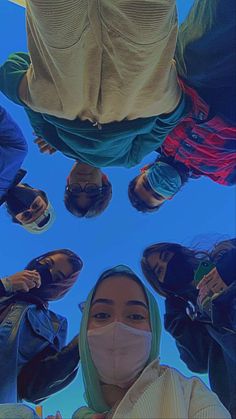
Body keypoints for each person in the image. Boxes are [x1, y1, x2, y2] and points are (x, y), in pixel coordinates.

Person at [1, 1, 205, 217]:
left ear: (68, 181)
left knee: (55, 12)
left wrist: (32, 94)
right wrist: (160, 99)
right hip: (132, 100)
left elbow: (21, 84)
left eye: (75, 189)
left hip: (66, 101)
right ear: (104, 181)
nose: (83, 184)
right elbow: (165, 123)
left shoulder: (55, 142)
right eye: (91, 190)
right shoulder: (129, 158)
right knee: (146, 18)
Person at [66, 265, 229, 419]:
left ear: (154, 331)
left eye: (135, 316)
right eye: (101, 315)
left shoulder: (190, 396)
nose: (117, 327)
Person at [128, 0, 236, 213]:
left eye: (147, 184)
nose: (156, 187)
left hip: (198, 77)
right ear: (171, 197)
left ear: (145, 169)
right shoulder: (224, 175)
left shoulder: (150, 135)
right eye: (157, 194)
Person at [141, 238, 236, 418]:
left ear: (179, 250)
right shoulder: (198, 316)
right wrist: (175, 313)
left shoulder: (223, 253)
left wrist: (230, 267)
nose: (168, 264)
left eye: (166, 256)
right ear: (162, 285)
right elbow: (198, 362)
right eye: (160, 270)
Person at [0, 249, 83, 403]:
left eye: (56, 276)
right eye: (46, 263)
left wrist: (81, 343)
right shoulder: (4, 289)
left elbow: (31, 389)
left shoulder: (55, 324)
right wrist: (6, 285)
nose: (46, 272)